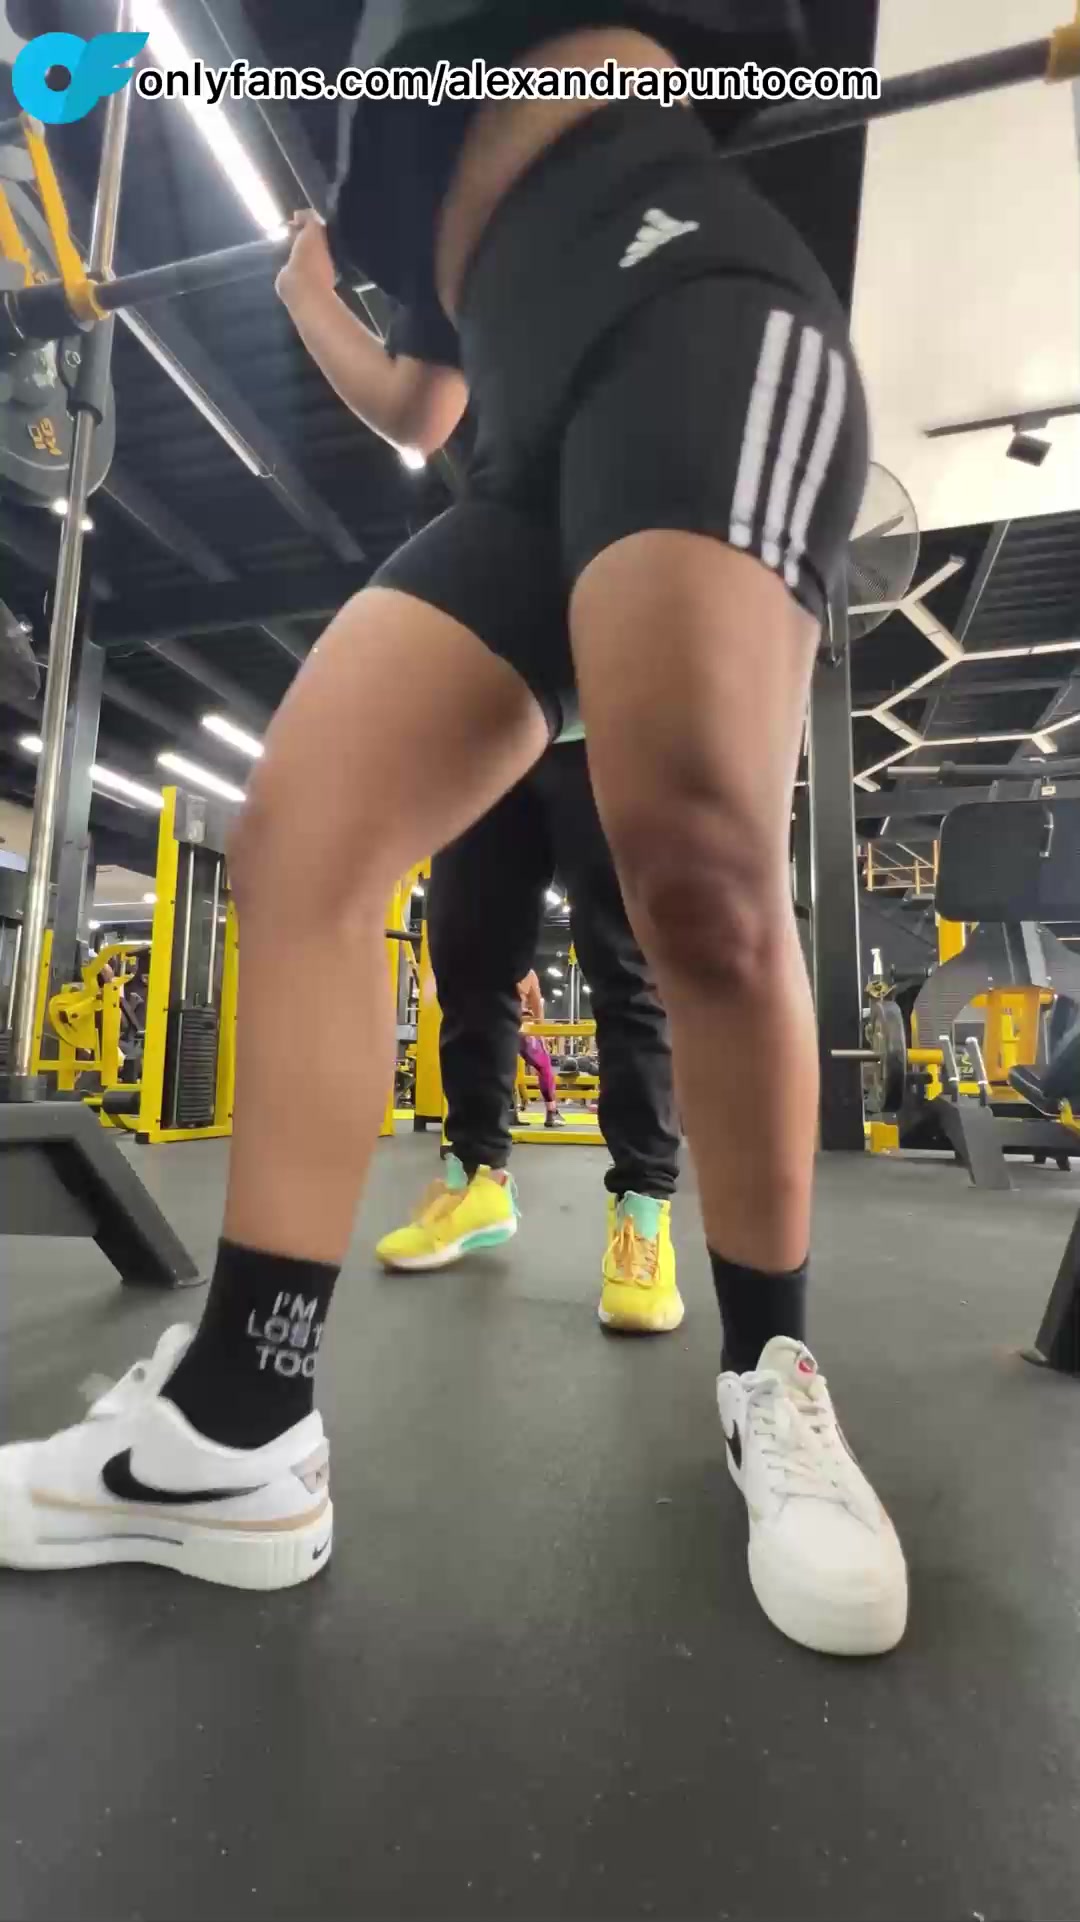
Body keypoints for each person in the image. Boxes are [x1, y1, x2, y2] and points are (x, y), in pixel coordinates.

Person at [0, 5, 908, 1656]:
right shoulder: (381, 111)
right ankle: (239, 1423)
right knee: (304, 843)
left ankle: (772, 1378)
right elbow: (423, 405)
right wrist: (306, 297)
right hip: (515, 444)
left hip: (692, 301)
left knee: (696, 867)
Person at [374, 738, 684, 1335]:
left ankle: (642, 1211)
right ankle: (476, 1182)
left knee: (625, 961)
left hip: (599, 726)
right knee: (468, 959)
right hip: (484, 737)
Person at [516, 966, 562, 1127]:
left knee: (502, 1069)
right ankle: (551, 1112)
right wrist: (541, 1035)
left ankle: (507, 1112)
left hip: (488, 1026)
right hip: (518, 1026)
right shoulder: (526, 972)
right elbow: (537, 1006)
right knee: (544, 1066)